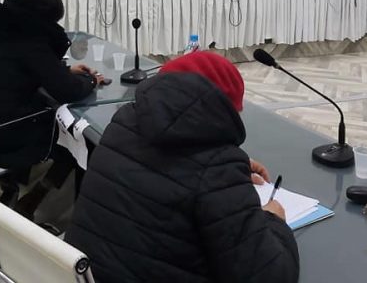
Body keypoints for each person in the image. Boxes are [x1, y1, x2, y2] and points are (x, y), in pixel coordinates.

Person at [67, 51, 299, 283]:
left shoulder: (122, 123)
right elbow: (271, 276)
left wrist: (230, 174)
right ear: (222, 108)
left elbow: (164, 171)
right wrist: (273, 220)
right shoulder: (216, 167)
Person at [0, 0, 104, 214]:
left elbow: (15, 68)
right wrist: (90, 80)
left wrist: (62, 70)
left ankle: (23, 187)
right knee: (78, 136)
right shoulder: (31, 38)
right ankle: (39, 198)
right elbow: (67, 90)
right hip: (3, 134)